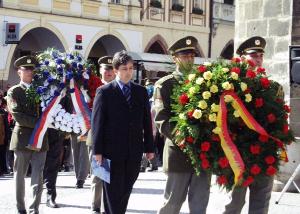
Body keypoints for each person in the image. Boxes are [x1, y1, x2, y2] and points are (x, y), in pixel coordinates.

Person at [153, 36, 211, 214]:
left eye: (192, 55)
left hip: (203, 152)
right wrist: (184, 138)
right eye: (185, 55)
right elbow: (161, 119)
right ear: (175, 58)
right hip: (179, 152)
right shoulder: (165, 85)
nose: (190, 59)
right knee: (172, 204)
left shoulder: (205, 83)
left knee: (200, 205)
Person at [92, 50, 154, 214]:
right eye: (125, 69)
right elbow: (97, 123)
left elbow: (147, 121)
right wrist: (97, 151)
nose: (129, 72)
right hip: (110, 153)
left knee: (125, 191)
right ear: (116, 70)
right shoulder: (104, 92)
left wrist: (149, 147)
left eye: (131, 68)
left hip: (133, 152)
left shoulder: (140, 91)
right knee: (113, 193)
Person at [224, 36, 279, 214]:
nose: (258, 59)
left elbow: (279, 120)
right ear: (242, 57)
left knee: (261, 205)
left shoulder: (273, 87)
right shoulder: (231, 87)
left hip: (264, 152)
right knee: (235, 204)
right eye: (254, 55)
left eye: (261, 56)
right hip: (238, 152)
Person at [7, 56, 48, 214]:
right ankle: (21, 208)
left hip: (40, 140)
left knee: (38, 176)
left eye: (32, 69)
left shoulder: (42, 89)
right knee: (19, 177)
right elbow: (18, 115)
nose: (30, 72)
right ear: (19, 72)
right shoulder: (14, 91)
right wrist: (40, 123)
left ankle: (34, 209)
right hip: (23, 138)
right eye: (26, 69)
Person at [89, 55, 115, 214]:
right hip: (98, 137)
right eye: (106, 69)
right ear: (100, 70)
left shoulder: (120, 88)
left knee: (112, 175)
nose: (109, 73)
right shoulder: (92, 88)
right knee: (98, 174)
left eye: (111, 70)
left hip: (113, 138)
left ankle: (108, 206)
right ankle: (95, 205)